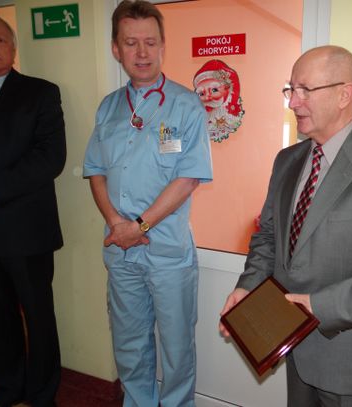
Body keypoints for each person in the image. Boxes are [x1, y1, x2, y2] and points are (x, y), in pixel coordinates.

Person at [220, 45, 352, 407]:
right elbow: (268, 236)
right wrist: (247, 287)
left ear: (344, 95)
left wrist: (320, 305)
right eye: (291, 90)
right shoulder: (287, 160)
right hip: (293, 344)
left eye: (305, 90)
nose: (293, 102)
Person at [83, 1, 212, 406]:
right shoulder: (108, 107)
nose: (142, 52)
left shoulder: (186, 104)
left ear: (162, 47)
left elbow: (188, 177)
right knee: (130, 347)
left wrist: (137, 227)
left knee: (176, 351)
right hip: (121, 252)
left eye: (150, 43)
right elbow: (95, 171)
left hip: (167, 253)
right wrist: (115, 223)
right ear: (115, 49)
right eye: (131, 42)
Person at [0, 14, 66, 407]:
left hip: (27, 231)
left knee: (38, 317)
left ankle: (42, 394)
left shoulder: (40, 92)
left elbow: (51, 157)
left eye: (1, 39)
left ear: (14, 49)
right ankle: (9, 386)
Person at [193, 59, 244, 142]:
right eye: (201, 93)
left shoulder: (230, 115)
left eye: (214, 90)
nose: (207, 97)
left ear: (228, 90)